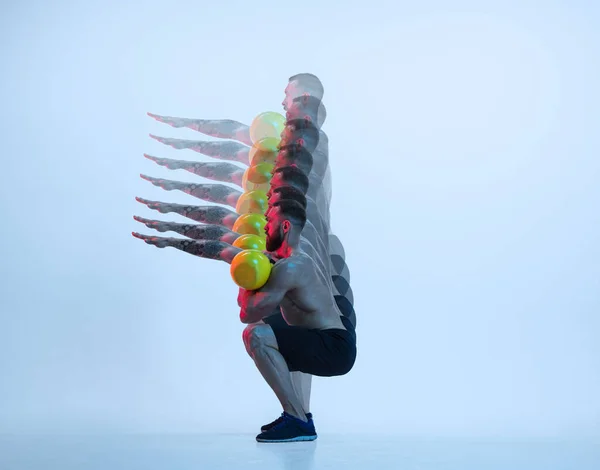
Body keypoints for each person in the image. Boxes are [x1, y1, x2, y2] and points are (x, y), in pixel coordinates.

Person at [239, 199, 356, 442]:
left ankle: (296, 419)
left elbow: (246, 314)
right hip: (325, 339)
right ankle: (300, 415)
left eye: (269, 223)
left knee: (255, 334)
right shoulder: (283, 262)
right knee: (273, 324)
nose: (264, 228)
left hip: (334, 348)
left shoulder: (292, 266)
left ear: (285, 227)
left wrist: (245, 277)